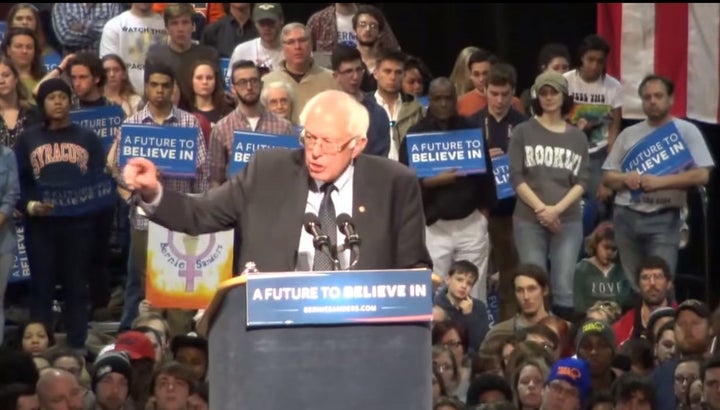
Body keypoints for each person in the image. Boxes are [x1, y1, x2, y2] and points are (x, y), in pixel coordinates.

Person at [122, 89, 431, 272]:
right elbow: (199, 214)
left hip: (365, 334)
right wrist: (153, 192)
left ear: (358, 145)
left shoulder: (394, 184)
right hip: (275, 332)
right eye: (309, 138)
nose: (315, 152)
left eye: (328, 142)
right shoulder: (268, 171)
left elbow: (414, 269)